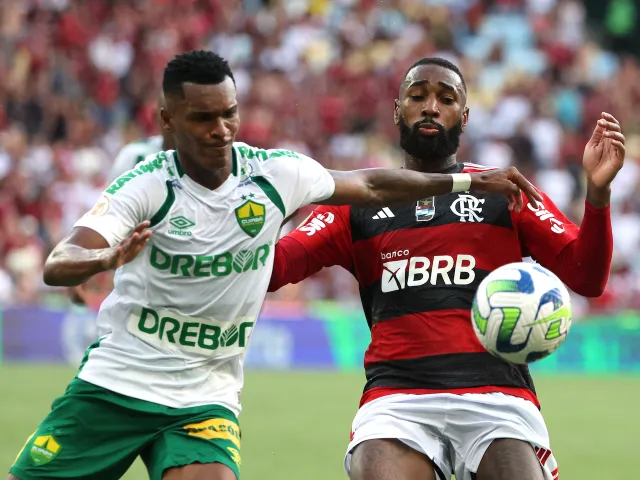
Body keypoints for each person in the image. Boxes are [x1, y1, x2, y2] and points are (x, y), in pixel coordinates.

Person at [7, 51, 540, 480]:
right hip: (118, 383)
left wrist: (467, 181)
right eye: (203, 118)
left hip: (204, 398)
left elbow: (373, 185)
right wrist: (105, 258)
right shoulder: (145, 185)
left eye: (228, 114)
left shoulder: (275, 174)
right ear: (168, 120)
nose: (221, 130)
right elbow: (60, 261)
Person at [268, 57, 625, 480]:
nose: (431, 107)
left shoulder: (504, 190)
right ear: (397, 110)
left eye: (446, 99)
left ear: (465, 116)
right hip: (397, 399)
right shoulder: (356, 203)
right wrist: (261, 211)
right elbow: (275, 269)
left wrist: (597, 195)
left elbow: (587, 277)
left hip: (497, 398)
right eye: (417, 96)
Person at [68, 94, 175, 307]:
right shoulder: (135, 155)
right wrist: (80, 267)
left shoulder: (210, 161)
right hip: (140, 271)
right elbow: (107, 214)